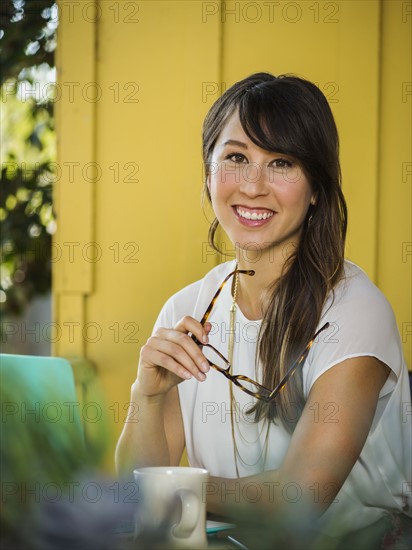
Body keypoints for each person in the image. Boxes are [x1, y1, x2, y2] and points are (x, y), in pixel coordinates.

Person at [116, 73, 411, 547]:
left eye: (281, 163)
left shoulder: (355, 310)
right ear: (209, 174)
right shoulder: (184, 309)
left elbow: (299, 496)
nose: (253, 186)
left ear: (316, 187)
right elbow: (136, 490)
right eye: (236, 158)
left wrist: (177, 489)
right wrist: (147, 397)